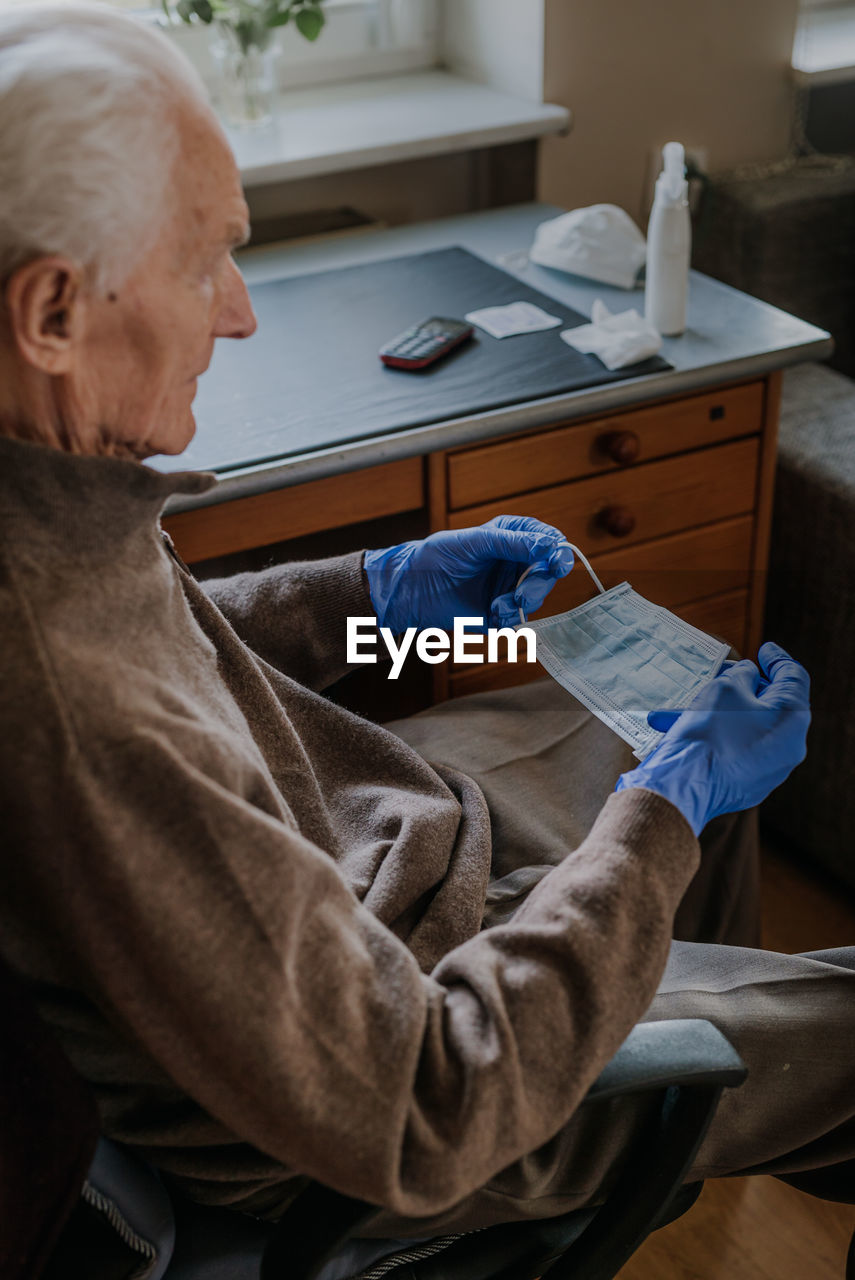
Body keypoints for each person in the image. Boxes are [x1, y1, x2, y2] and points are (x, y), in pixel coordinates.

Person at [1, 4, 852, 1247]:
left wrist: (369, 588)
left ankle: (664, 1110)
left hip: (363, 864)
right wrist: (662, 814)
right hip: (414, 1085)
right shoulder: (73, 714)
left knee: (658, 691)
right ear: (53, 314)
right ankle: (656, 1076)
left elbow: (176, 651)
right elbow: (426, 1102)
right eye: (202, 262)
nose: (237, 313)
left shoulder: (48, 498)